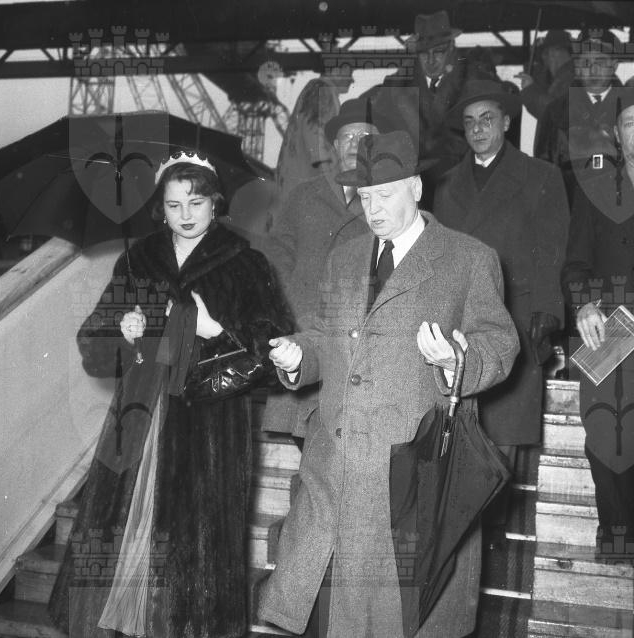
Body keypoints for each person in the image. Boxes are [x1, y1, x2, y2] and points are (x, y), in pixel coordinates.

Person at [258, 130, 519, 637]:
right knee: (326, 613)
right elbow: (324, 335)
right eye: (365, 196)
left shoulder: (467, 258)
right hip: (335, 466)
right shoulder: (345, 256)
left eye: (386, 194)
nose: (373, 209)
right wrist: (299, 356)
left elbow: (499, 342)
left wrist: (457, 360)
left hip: (408, 475)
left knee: (397, 617)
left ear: (416, 189)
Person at [48, 152, 291, 638]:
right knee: (121, 528)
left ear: (215, 203)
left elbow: (273, 351)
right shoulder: (137, 260)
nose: (186, 214)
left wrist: (214, 330)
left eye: (196, 202)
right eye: (174, 204)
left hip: (209, 422)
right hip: (139, 412)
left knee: (195, 543)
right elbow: (93, 345)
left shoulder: (246, 264)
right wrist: (122, 332)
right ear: (160, 207)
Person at [434, 79, 569, 547]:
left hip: (516, 319)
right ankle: (464, 532)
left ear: (507, 123)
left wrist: (548, 312)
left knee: (503, 431)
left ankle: (493, 532)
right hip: (459, 323)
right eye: (470, 122)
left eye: (487, 119)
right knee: (461, 426)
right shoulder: (446, 184)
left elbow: (553, 251)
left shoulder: (541, 177)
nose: (478, 129)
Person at [261, 97, 392, 444]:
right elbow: (277, 254)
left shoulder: (388, 200)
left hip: (350, 339)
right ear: (334, 144)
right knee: (302, 435)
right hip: (299, 330)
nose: (354, 145)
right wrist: (285, 304)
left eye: (365, 137)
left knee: (339, 436)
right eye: (347, 137)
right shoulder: (304, 195)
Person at [561, 89, 634, 562]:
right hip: (609, 337)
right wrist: (586, 306)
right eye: (631, 123)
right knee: (607, 442)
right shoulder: (596, 191)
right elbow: (575, 264)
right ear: (616, 135)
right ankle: (617, 548)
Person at [367, 10, 472, 208]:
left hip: (460, 193)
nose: (431, 61)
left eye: (438, 52)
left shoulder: (469, 81)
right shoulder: (398, 85)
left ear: (451, 47)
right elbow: (377, 117)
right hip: (415, 196)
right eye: (424, 53)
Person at [534, 27, 623, 195]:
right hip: (571, 205)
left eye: (601, 62)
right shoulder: (555, 113)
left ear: (614, 65)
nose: (593, 70)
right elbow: (543, 171)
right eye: (586, 62)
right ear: (577, 66)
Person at [273, 75, 353, 204]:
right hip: (309, 194)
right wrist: (331, 187)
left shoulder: (319, 90)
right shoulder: (323, 90)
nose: (352, 79)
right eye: (349, 71)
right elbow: (316, 141)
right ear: (336, 69)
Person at [515, 29, 575, 121]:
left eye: (545, 53)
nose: (543, 58)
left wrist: (529, 90)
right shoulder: (565, 76)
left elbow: (555, 113)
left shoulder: (569, 78)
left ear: (553, 53)